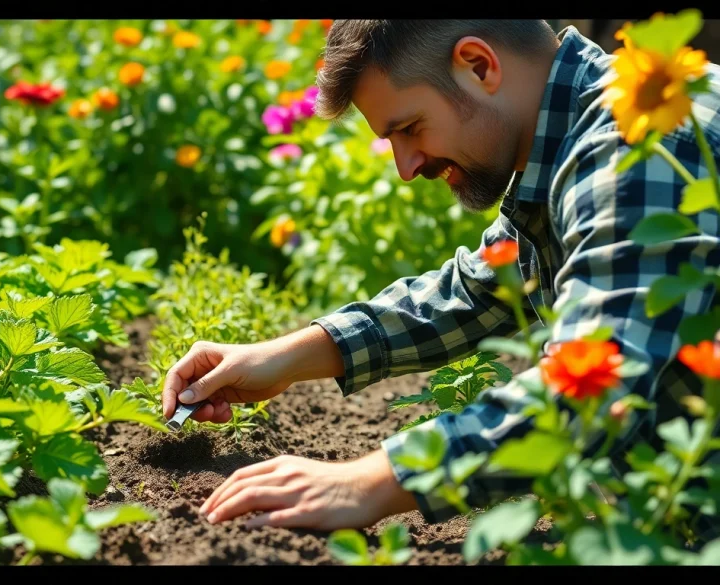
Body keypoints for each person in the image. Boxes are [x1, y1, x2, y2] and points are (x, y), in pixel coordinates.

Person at [161, 19, 720, 538]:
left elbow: (599, 381)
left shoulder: (634, 149)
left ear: (478, 66)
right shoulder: (578, 129)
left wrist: (367, 482)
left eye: (409, 128)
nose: (406, 168)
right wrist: (287, 356)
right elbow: (479, 290)